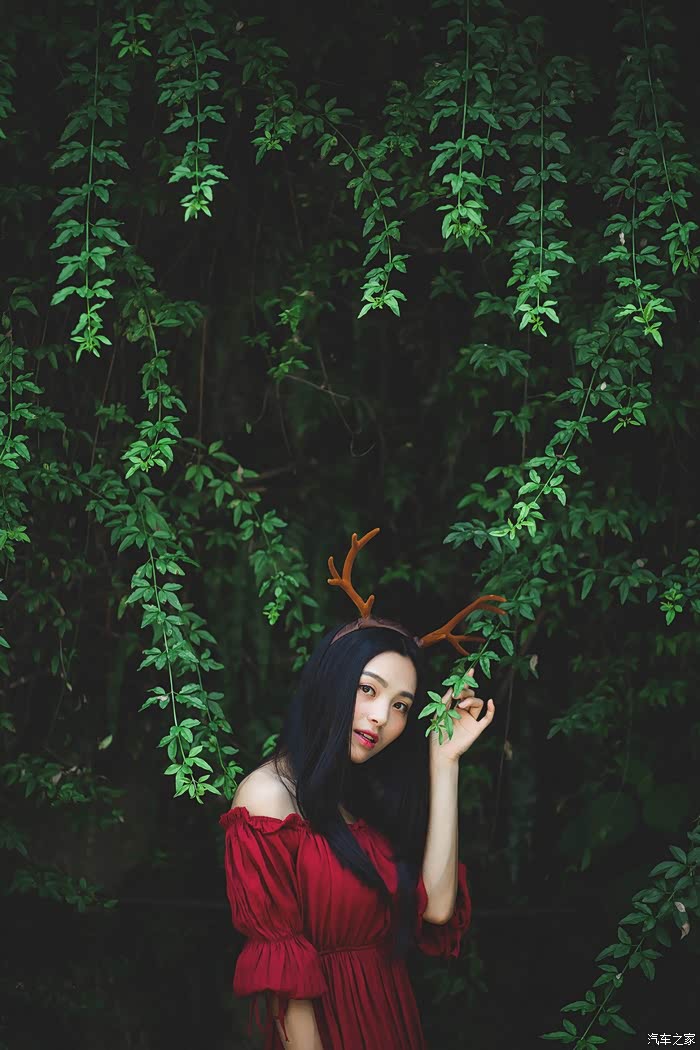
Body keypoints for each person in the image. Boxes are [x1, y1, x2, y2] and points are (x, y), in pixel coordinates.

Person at [219, 530, 502, 1049]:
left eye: (401, 705)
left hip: (392, 1022)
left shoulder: (364, 798)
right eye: (368, 689)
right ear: (330, 681)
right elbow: (285, 984)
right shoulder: (266, 799)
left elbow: (437, 908)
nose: (380, 716)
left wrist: (445, 762)